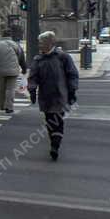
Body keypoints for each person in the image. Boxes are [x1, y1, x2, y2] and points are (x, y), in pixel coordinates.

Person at [27, 31, 79, 161]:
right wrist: (32, 90)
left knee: (58, 120)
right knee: (50, 121)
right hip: (46, 96)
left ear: (50, 43)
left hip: (60, 95)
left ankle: (55, 145)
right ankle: (54, 142)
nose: (39, 45)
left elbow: (72, 74)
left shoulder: (63, 57)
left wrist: (72, 91)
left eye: (41, 42)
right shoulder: (38, 59)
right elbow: (33, 77)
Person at [0, 27, 27, 116]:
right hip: (13, 70)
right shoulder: (15, 44)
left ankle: (1, 105)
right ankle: (9, 107)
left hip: (1, 70)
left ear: (2, 35)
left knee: (2, 88)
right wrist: (24, 68)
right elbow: (21, 57)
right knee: (10, 89)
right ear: (10, 35)